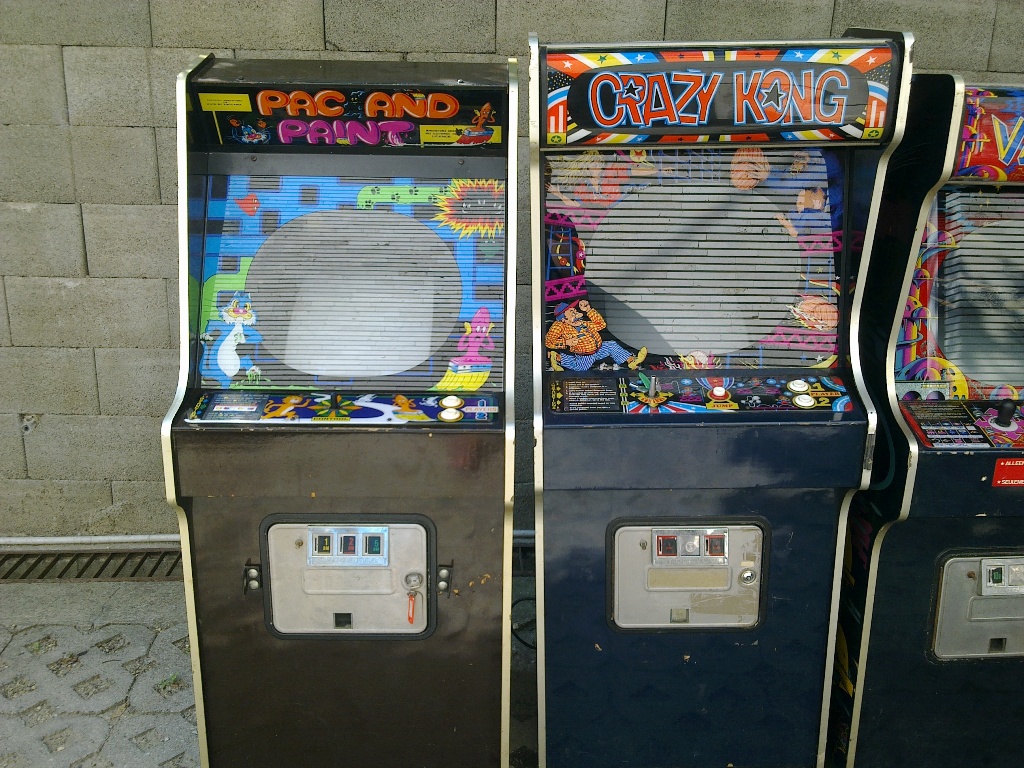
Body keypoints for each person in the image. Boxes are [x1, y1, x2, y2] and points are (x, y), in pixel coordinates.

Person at [545, 299, 646, 372]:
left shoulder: (582, 323)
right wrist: (566, 342)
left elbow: (601, 325)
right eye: (571, 311)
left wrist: (588, 310)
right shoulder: (560, 326)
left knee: (612, 345)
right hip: (586, 355)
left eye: (574, 310)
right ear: (563, 318)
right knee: (580, 368)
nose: (575, 311)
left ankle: (632, 361)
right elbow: (549, 342)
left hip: (599, 350)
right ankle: (557, 357)